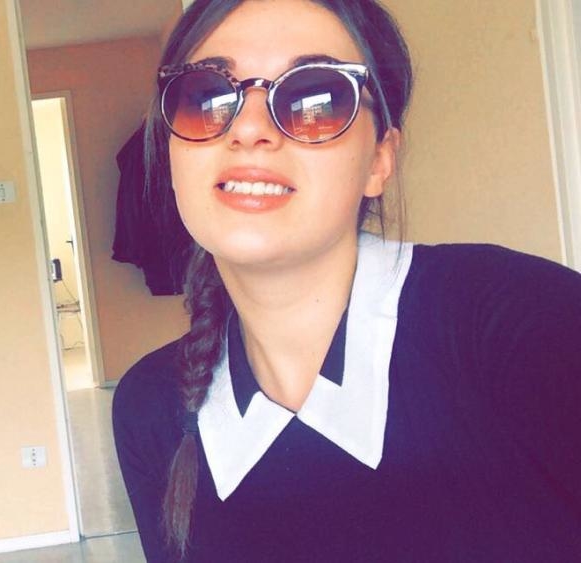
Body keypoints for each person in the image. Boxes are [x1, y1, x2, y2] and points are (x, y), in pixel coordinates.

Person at [111, 0, 581, 561]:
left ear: (379, 160)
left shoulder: (526, 323)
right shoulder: (150, 408)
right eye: (206, 96)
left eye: (316, 98)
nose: (250, 130)